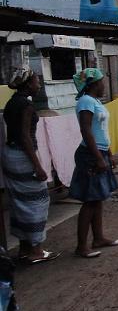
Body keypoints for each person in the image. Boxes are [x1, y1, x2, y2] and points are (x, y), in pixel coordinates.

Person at [1, 68, 59, 264]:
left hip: (10, 154)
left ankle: (24, 249)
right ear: (27, 85)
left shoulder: (11, 103)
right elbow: (25, 137)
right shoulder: (26, 105)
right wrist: (38, 166)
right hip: (23, 156)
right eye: (36, 82)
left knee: (19, 202)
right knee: (37, 201)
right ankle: (37, 249)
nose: (39, 85)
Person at [69, 68, 118, 259]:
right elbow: (86, 130)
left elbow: (99, 130)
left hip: (100, 152)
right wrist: (99, 158)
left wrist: (108, 153)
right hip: (90, 155)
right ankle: (81, 246)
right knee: (90, 200)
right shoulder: (85, 102)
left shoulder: (95, 101)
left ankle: (98, 238)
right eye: (102, 81)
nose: (104, 85)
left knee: (98, 197)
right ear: (93, 84)